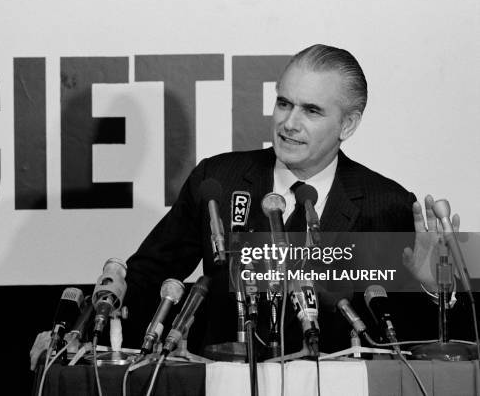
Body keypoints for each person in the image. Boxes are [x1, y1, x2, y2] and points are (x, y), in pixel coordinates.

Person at [122, 44, 455, 355]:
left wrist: (432, 291)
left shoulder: (386, 205)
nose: (289, 123)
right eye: (284, 103)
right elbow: (144, 279)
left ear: (348, 124)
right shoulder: (219, 180)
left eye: (311, 110)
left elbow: (408, 338)